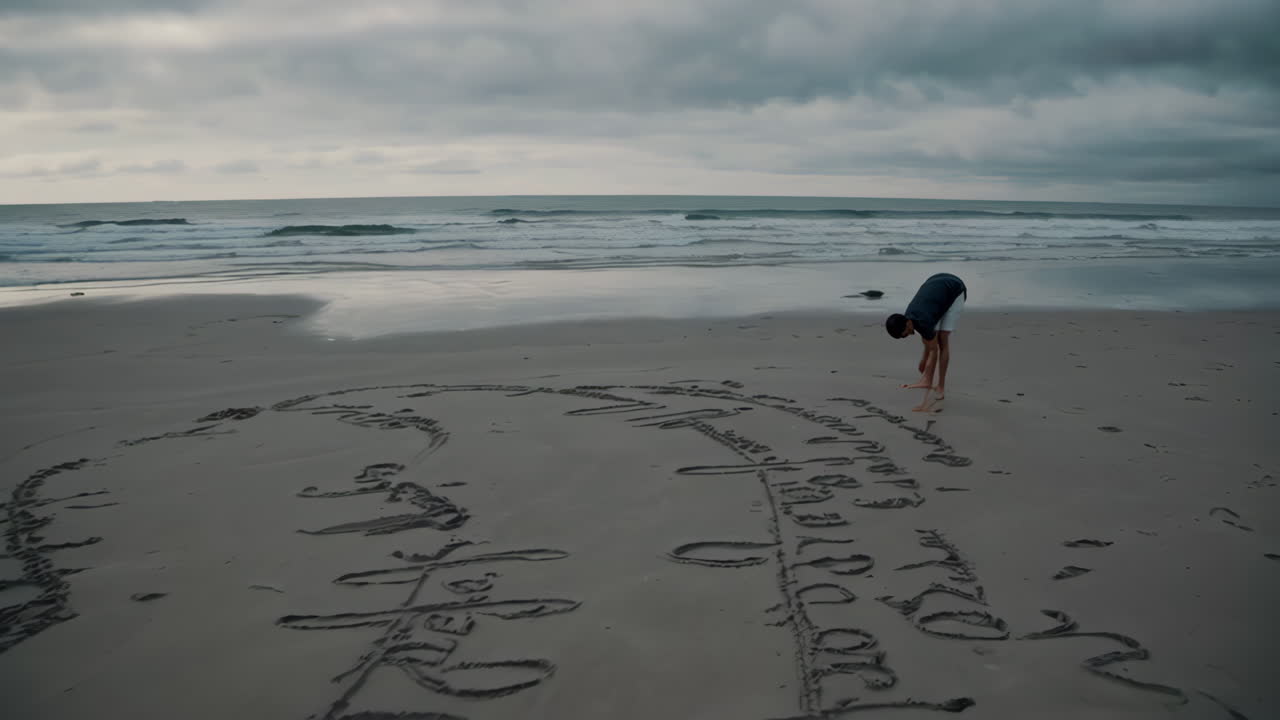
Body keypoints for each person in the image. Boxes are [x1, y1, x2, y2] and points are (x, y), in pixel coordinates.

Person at [885, 273, 967, 412]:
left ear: (908, 323)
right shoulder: (909, 316)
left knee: (942, 339)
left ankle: (940, 386)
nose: (909, 335)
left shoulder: (923, 320)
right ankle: (927, 381)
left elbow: (933, 348)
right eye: (904, 337)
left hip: (955, 289)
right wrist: (924, 360)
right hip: (937, 284)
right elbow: (927, 337)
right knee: (932, 337)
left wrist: (926, 366)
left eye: (906, 334)